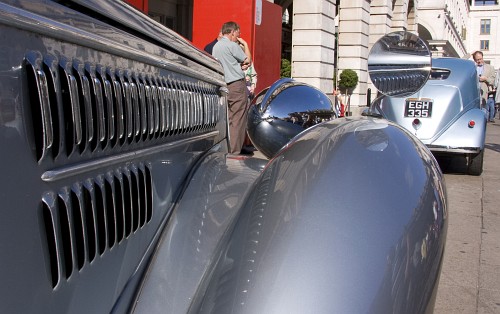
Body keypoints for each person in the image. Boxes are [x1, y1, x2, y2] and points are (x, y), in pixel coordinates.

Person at [212, 21, 252, 154]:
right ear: (232, 32)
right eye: (237, 34)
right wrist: (245, 44)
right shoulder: (232, 45)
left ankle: (225, 148)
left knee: (228, 119)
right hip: (236, 84)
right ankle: (234, 152)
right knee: (238, 120)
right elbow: (247, 60)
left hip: (223, 85)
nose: (238, 37)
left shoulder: (216, 46)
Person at [472, 51, 496, 122]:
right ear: (474, 60)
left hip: (484, 95)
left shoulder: (490, 68)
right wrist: (469, 54)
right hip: (473, 95)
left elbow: (492, 81)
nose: (479, 61)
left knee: (483, 114)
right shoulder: (472, 67)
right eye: (477, 60)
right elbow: (462, 60)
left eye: (480, 59)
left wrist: (486, 79)